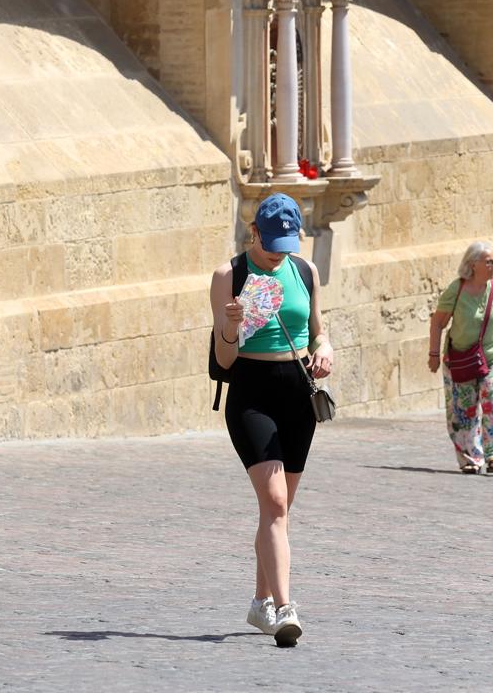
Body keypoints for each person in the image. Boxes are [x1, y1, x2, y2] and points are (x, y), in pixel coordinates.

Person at [209, 193, 333, 647]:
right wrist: (230, 325)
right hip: (252, 394)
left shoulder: (304, 270)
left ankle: (259, 602)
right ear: (253, 231)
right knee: (276, 504)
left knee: (276, 510)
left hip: (298, 394)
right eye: (270, 242)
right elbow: (225, 356)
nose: (278, 252)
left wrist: (324, 349)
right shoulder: (231, 275)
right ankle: (284, 609)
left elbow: (318, 328)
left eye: (287, 243)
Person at [427, 240, 493, 474]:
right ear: (473, 264)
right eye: (488, 262)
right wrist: (434, 353)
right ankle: (470, 458)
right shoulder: (456, 290)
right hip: (460, 359)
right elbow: (438, 323)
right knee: (463, 410)